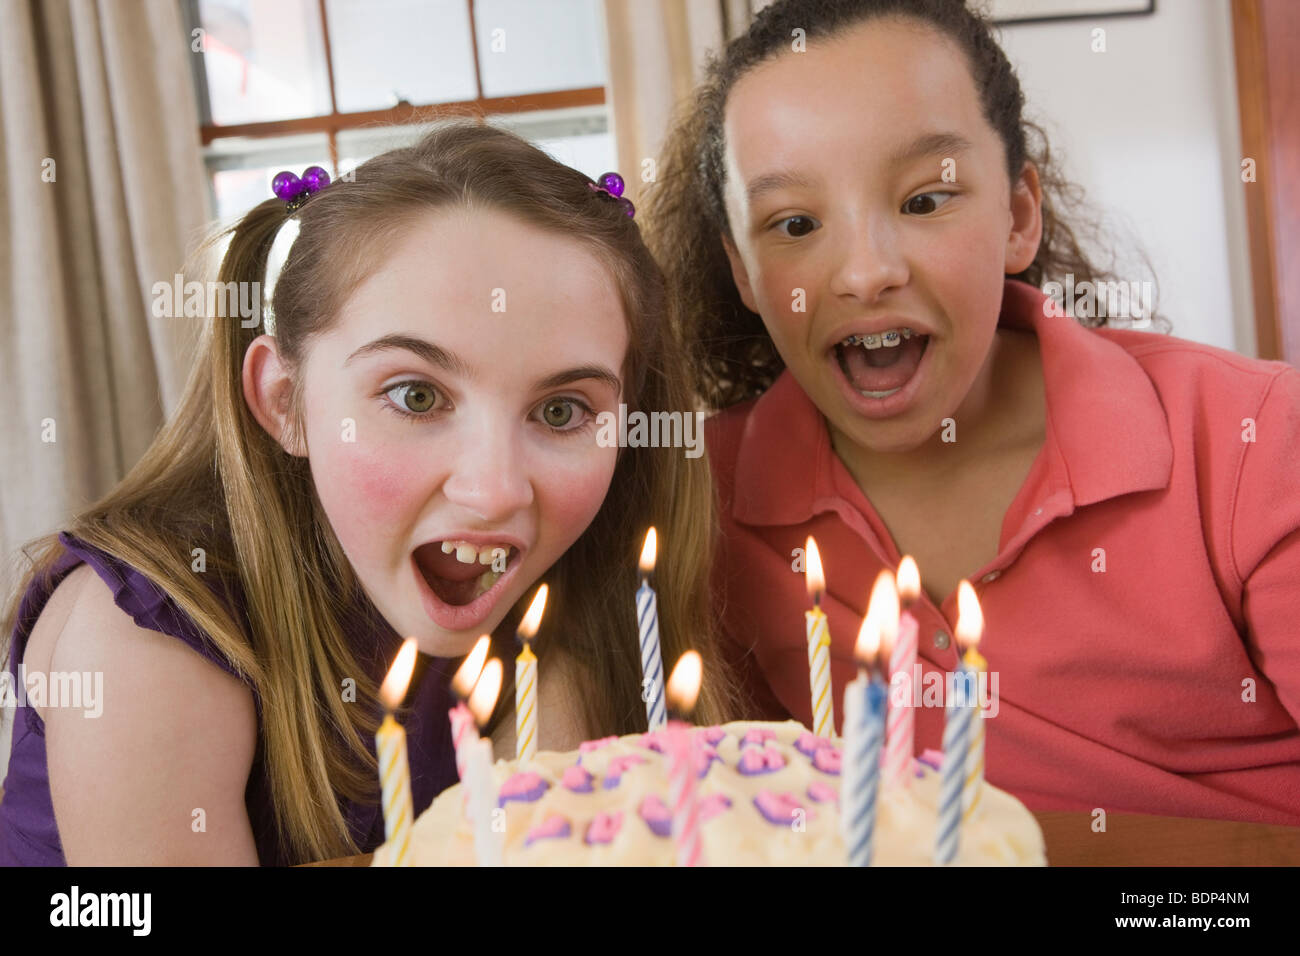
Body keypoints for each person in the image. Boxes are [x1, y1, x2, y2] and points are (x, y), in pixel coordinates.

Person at [0, 119, 735, 866]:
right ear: (285, 402)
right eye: (417, 397)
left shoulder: (582, 603)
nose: (493, 491)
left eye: (560, 412)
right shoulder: (146, 635)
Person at [642, 0, 1300, 825]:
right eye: (796, 223)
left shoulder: (1253, 439)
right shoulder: (701, 501)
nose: (865, 271)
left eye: (924, 201)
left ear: (1018, 216)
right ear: (743, 273)